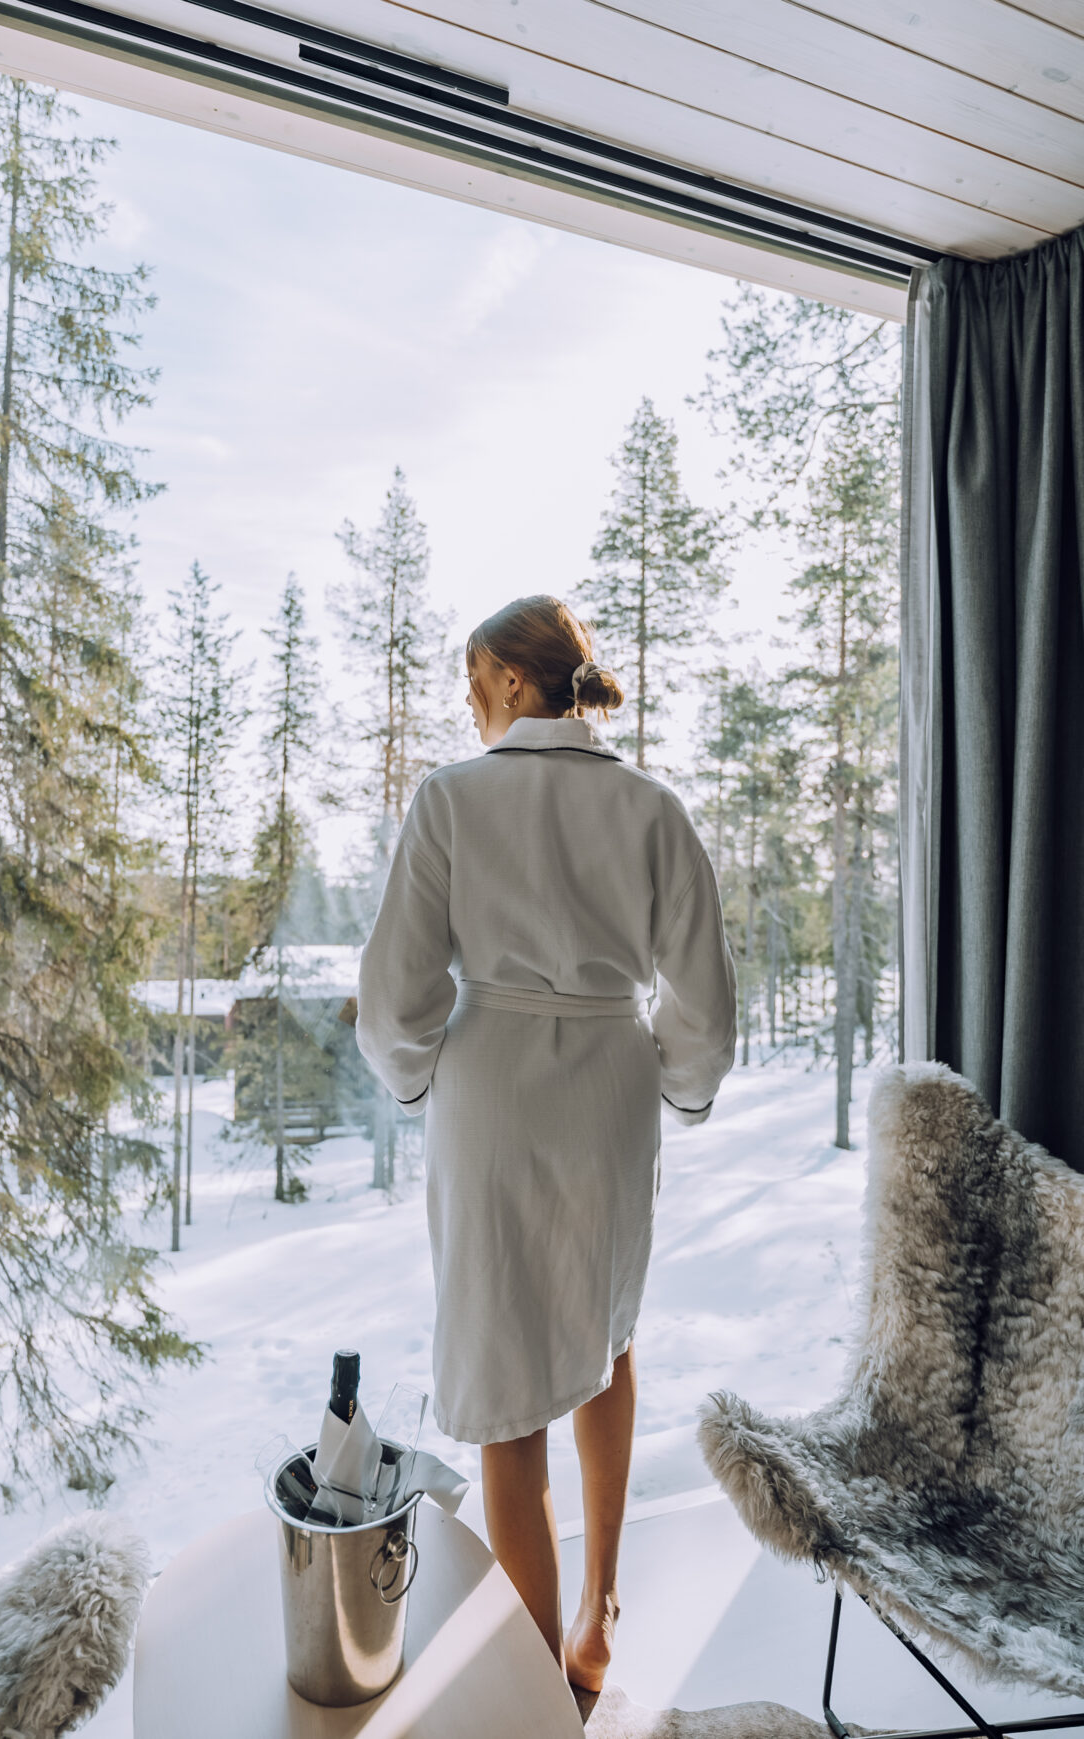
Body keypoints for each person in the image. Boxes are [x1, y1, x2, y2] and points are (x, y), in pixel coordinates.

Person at [355, 594, 737, 1693]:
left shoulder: (452, 799)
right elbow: (705, 1009)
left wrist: (420, 1070)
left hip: (491, 1100)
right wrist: (675, 1088)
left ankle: (531, 1677)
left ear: (514, 682)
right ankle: (597, 1611)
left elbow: (392, 1000)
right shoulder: (651, 807)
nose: (470, 707)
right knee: (606, 1333)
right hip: (612, 1092)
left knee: (504, 1371)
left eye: (474, 685)